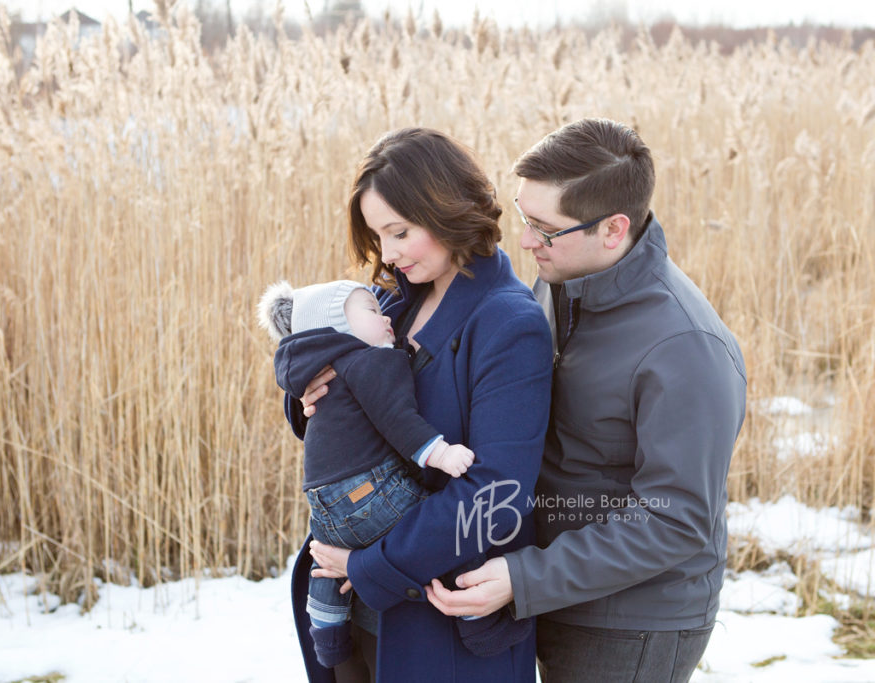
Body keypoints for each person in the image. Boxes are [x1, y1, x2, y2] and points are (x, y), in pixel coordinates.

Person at [423, 117, 748, 683]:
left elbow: (676, 520)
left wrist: (527, 578)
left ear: (613, 229)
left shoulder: (685, 348)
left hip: (633, 622)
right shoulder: (560, 280)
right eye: (525, 218)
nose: (526, 242)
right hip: (549, 589)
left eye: (545, 229)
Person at [288, 127, 553, 682]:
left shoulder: (509, 321)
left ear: (446, 209)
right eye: (378, 236)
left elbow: (496, 493)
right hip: (357, 614)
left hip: (441, 628)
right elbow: (349, 397)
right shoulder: (391, 302)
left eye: (400, 232)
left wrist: (370, 565)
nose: (387, 254)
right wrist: (308, 399)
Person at [257, 279, 530, 667]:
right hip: (368, 494)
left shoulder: (323, 361)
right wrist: (440, 453)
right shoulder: (368, 358)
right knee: (447, 532)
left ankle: (329, 635)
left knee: (328, 566)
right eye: (371, 311)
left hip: (323, 506)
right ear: (339, 328)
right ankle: (480, 622)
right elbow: (398, 419)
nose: (383, 315)